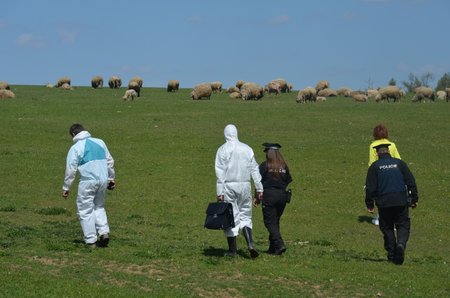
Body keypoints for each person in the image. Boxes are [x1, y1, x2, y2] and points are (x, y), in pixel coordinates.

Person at [62, 123, 116, 248]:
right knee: (99, 206)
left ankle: (91, 240)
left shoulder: (76, 148)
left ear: (74, 134)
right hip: (103, 180)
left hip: (87, 182)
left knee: (85, 210)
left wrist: (66, 187)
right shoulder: (100, 142)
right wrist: (111, 179)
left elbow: (71, 169)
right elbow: (110, 161)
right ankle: (104, 232)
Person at [365, 143, 418, 265]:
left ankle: (392, 253)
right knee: (403, 225)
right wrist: (414, 198)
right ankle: (401, 245)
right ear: (388, 150)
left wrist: (370, 204)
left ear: (377, 153)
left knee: (387, 227)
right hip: (400, 200)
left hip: (384, 202)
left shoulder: (374, 167)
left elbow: (370, 188)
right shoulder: (399, 164)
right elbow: (411, 181)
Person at [215, 124, 264, 258]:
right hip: (245, 186)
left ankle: (232, 250)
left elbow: (220, 173)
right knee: (245, 215)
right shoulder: (247, 148)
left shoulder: (222, 150)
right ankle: (250, 243)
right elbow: (255, 169)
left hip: (229, 186)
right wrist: (259, 189)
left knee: (231, 216)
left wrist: (220, 193)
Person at [255, 143, 292, 255]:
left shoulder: (264, 166)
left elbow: (258, 182)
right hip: (282, 196)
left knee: (269, 222)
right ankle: (273, 248)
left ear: (269, 153)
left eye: (266, 152)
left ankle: (279, 244)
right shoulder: (284, 166)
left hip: (269, 195)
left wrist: (256, 197)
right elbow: (288, 180)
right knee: (275, 221)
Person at [368, 124, 401, 225]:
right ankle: (394, 217)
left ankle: (379, 217)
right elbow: (398, 159)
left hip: (379, 172)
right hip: (393, 172)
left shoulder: (373, 145)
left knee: (379, 195)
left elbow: (372, 162)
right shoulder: (392, 145)